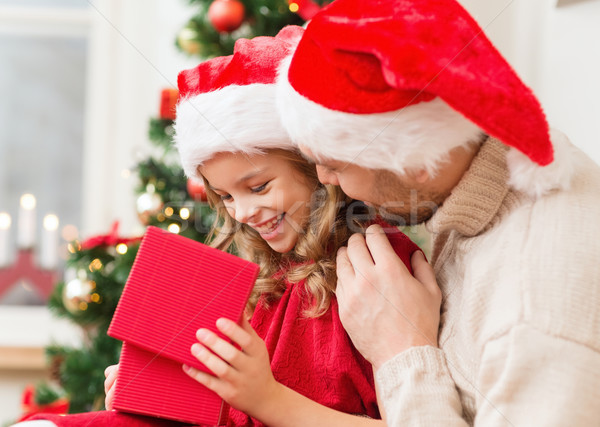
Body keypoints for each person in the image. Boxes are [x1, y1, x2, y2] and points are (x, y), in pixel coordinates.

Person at [16, 27, 420, 427]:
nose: (241, 212)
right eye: (225, 197)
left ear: (315, 167)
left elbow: (416, 418)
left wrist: (267, 398)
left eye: (258, 187)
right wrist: (154, 398)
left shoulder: (378, 268)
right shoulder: (259, 284)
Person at [276, 0, 600, 426]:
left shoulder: (534, 315)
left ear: (412, 159)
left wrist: (400, 350)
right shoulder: (483, 174)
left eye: (335, 163)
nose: (326, 179)